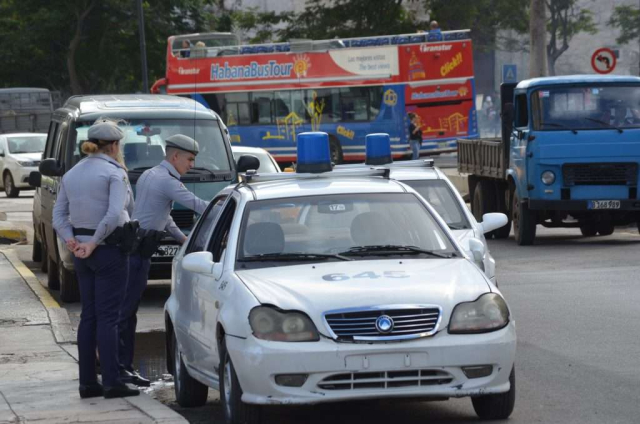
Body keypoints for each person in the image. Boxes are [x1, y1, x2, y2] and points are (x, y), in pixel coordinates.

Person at [53, 118, 139, 399]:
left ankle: (88, 382)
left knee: (88, 315)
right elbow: (115, 214)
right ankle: (113, 382)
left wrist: (72, 240)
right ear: (114, 146)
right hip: (109, 249)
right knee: (109, 317)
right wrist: (94, 242)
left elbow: (59, 217)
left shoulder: (72, 174)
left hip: (81, 251)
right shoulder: (115, 174)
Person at [118, 134, 209, 386]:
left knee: (126, 311)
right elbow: (199, 205)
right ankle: (119, 369)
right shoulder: (167, 181)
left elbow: (163, 216)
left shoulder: (151, 174)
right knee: (126, 312)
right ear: (175, 156)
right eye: (189, 159)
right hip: (138, 251)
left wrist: (183, 240)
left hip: (137, 248)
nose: (191, 165)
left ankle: (120, 366)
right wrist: (229, 208)